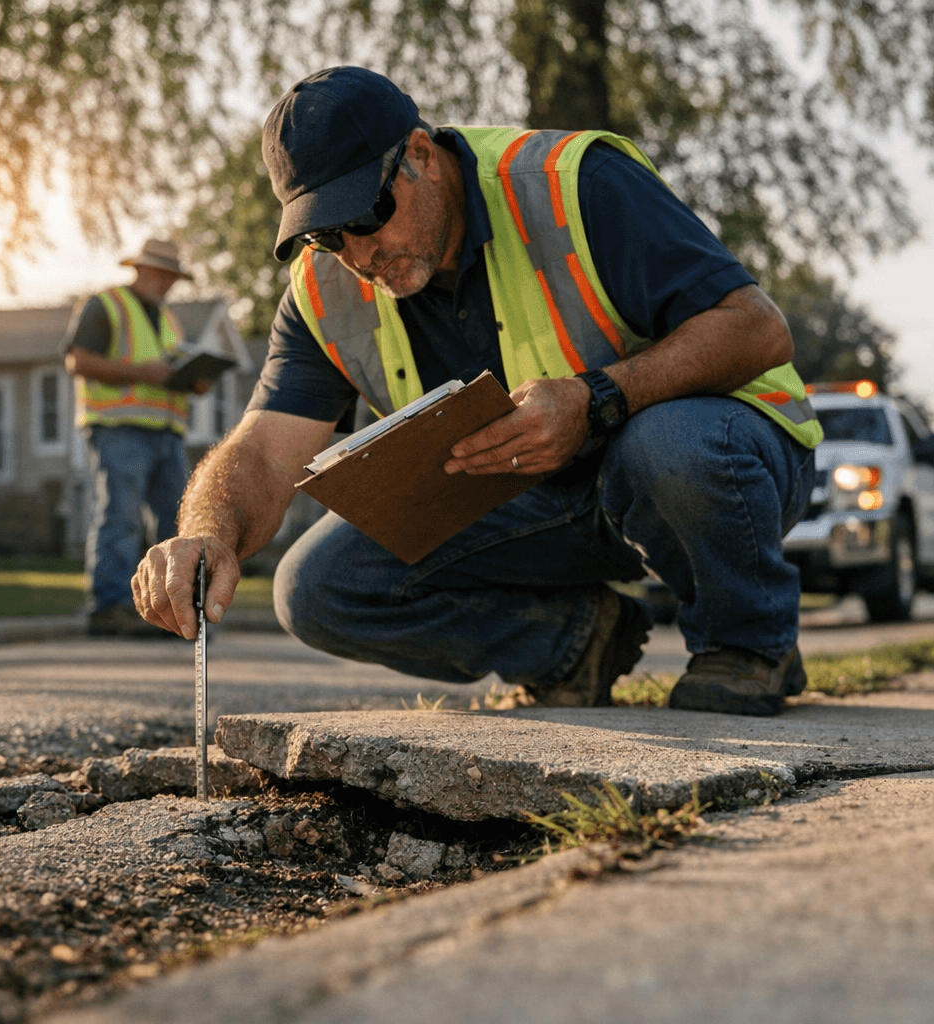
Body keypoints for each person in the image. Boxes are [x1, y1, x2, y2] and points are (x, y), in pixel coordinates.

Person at [131, 67, 822, 715]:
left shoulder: (574, 182)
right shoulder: (322, 292)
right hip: (541, 509)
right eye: (326, 235)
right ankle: (578, 643)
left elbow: (757, 329)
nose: (358, 255)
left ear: (421, 155)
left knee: (667, 446)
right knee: (319, 587)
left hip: (718, 470)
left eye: (367, 215)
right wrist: (205, 534)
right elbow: (262, 451)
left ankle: (747, 644)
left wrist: (595, 399)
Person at [65, 238, 207, 637]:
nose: (167, 283)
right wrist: (141, 373)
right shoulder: (105, 305)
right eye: (162, 274)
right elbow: (78, 361)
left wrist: (193, 380)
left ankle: (170, 612)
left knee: (177, 524)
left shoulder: (169, 320)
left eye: (173, 277)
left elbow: (167, 370)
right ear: (140, 269)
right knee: (121, 516)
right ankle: (109, 607)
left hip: (167, 432)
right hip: (118, 427)